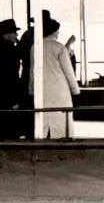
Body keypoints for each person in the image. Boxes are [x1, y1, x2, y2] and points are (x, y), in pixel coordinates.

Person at [30, 10, 80, 139]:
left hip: (42, 88)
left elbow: (32, 70)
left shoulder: (35, 47)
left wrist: (31, 89)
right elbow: (68, 72)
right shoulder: (60, 48)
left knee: (43, 116)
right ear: (54, 32)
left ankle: (42, 138)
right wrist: (75, 90)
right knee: (61, 118)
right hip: (59, 89)